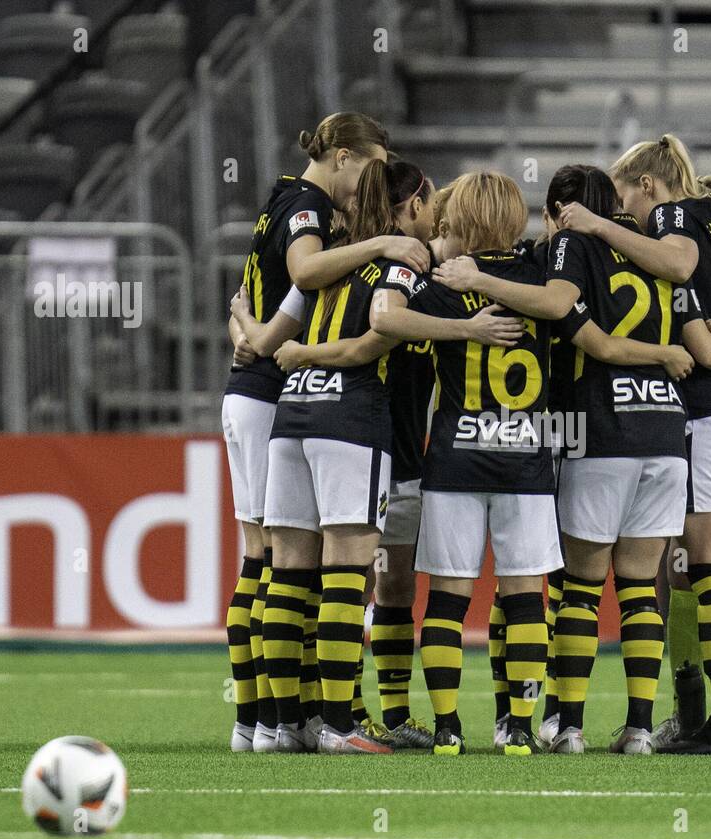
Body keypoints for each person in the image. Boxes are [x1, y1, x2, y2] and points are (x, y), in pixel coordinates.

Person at [238, 159, 520, 753]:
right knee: (347, 575)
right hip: (359, 428)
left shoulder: (324, 262)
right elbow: (377, 332)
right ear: (413, 207)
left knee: (291, 576)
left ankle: (276, 724)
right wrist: (471, 328)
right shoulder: (405, 266)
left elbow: (265, 343)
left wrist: (242, 317)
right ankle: (341, 723)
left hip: (293, 416)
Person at [433, 164, 710, 754]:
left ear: (563, 212)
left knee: (570, 590)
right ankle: (639, 726)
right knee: (639, 590)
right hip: (664, 429)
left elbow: (588, 334)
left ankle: (564, 723)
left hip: (592, 429)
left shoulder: (568, 252)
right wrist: (671, 354)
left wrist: (472, 273)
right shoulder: (654, 251)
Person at [558, 135, 711, 754]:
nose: (624, 215)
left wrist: (593, 224)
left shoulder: (673, 218)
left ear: (648, 185)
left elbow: (675, 265)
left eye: (624, 198)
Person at [222, 111, 426, 753]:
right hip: (293, 400)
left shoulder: (283, 199)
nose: (369, 181)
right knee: (305, 567)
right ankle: (315, 722)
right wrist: (388, 245)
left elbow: (267, 302)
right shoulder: (315, 214)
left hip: (281, 403)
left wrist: (250, 336)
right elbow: (308, 279)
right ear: (341, 156)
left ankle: (273, 723)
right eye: (369, 166)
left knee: (279, 567)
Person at [371, 171, 573, 756]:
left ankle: (447, 728)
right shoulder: (540, 278)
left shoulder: (449, 284)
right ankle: (520, 727)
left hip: (455, 458)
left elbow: (387, 317)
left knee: (448, 600)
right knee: (525, 599)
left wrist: (459, 320)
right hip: (525, 458)